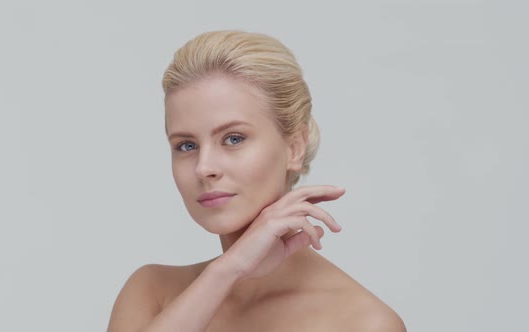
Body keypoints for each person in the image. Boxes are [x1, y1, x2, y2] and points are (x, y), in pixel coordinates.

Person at [107, 30, 406, 332]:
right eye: (186, 145)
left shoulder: (361, 322)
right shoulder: (152, 292)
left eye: (233, 138)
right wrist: (228, 271)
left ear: (294, 148)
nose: (203, 167)